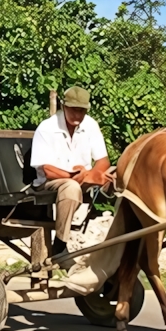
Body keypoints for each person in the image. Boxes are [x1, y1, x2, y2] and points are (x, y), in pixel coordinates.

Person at [29, 86, 111, 257]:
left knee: (117, 177)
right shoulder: (47, 128)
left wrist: (92, 174)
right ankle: (60, 244)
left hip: (82, 178)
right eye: (73, 110)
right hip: (50, 182)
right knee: (71, 186)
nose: (78, 115)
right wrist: (74, 177)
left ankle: (118, 248)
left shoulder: (91, 125)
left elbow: (103, 161)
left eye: (81, 111)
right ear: (63, 106)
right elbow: (47, 170)